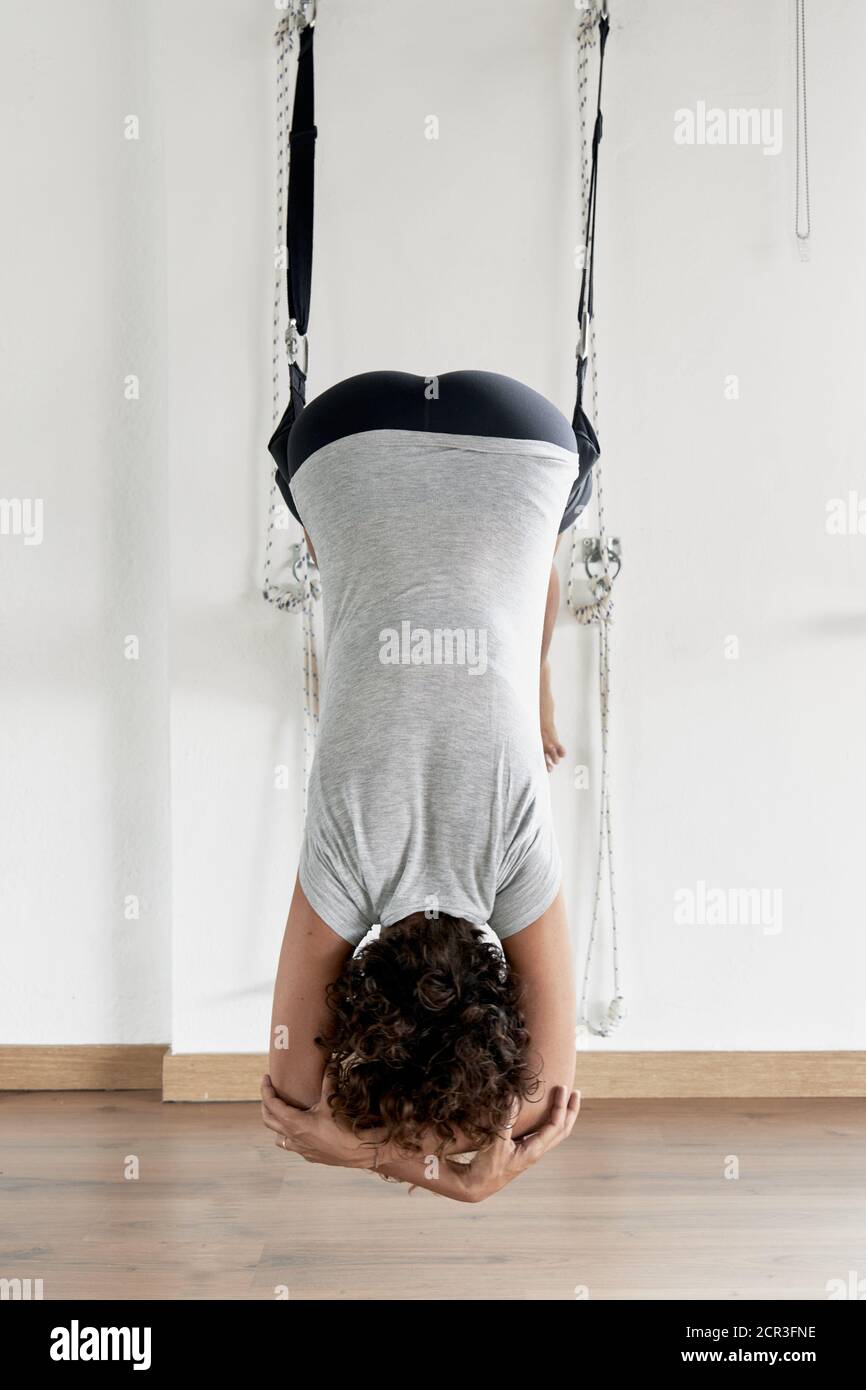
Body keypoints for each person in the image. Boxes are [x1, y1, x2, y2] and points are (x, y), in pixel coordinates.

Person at [261, 369, 585, 1201]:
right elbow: (293, 1106)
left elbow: (538, 1117)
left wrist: (475, 1180)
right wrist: (365, 1151)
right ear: (359, 1000)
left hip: (528, 434)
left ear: (496, 998)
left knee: (544, 529)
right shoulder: (345, 869)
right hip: (344, 432)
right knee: (346, 530)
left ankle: (536, 665)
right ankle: (534, 667)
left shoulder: (516, 867)